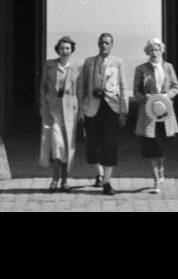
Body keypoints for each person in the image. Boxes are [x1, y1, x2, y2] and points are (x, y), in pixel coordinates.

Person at [79, 32, 128, 194]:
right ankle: (98, 173)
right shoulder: (89, 62)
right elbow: (82, 87)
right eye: (102, 42)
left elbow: (123, 87)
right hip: (92, 108)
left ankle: (107, 182)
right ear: (98, 44)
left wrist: (123, 111)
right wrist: (80, 109)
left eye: (107, 43)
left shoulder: (118, 62)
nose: (104, 45)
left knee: (109, 144)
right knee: (92, 146)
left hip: (111, 107)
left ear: (112, 45)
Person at [132, 37, 178, 193]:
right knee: (150, 147)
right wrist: (144, 97)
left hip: (164, 111)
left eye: (157, 49)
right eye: (151, 50)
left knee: (162, 145)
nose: (154, 52)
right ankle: (156, 182)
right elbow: (136, 91)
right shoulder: (141, 69)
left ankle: (161, 167)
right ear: (147, 52)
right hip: (148, 112)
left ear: (161, 51)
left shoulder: (168, 67)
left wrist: (168, 96)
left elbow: (176, 87)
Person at [38, 37, 80, 192]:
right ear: (58, 49)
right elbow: (42, 88)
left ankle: (64, 180)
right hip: (53, 111)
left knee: (68, 146)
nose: (65, 51)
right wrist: (44, 106)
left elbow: (79, 92)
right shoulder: (50, 66)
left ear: (71, 50)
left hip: (70, 112)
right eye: (62, 48)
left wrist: (80, 111)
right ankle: (54, 179)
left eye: (68, 48)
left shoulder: (76, 68)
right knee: (57, 145)